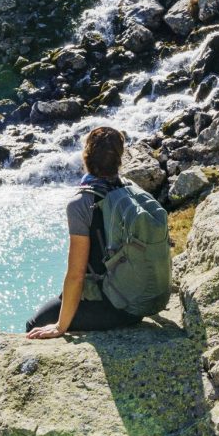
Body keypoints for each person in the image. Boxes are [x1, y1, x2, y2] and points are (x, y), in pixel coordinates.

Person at [26, 125, 171, 339]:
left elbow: (76, 275)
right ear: (119, 158)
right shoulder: (131, 190)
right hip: (148, 299)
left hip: (119, 307)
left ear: (86, 156)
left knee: (34, 325)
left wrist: (60, 327)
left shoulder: (82, 203)